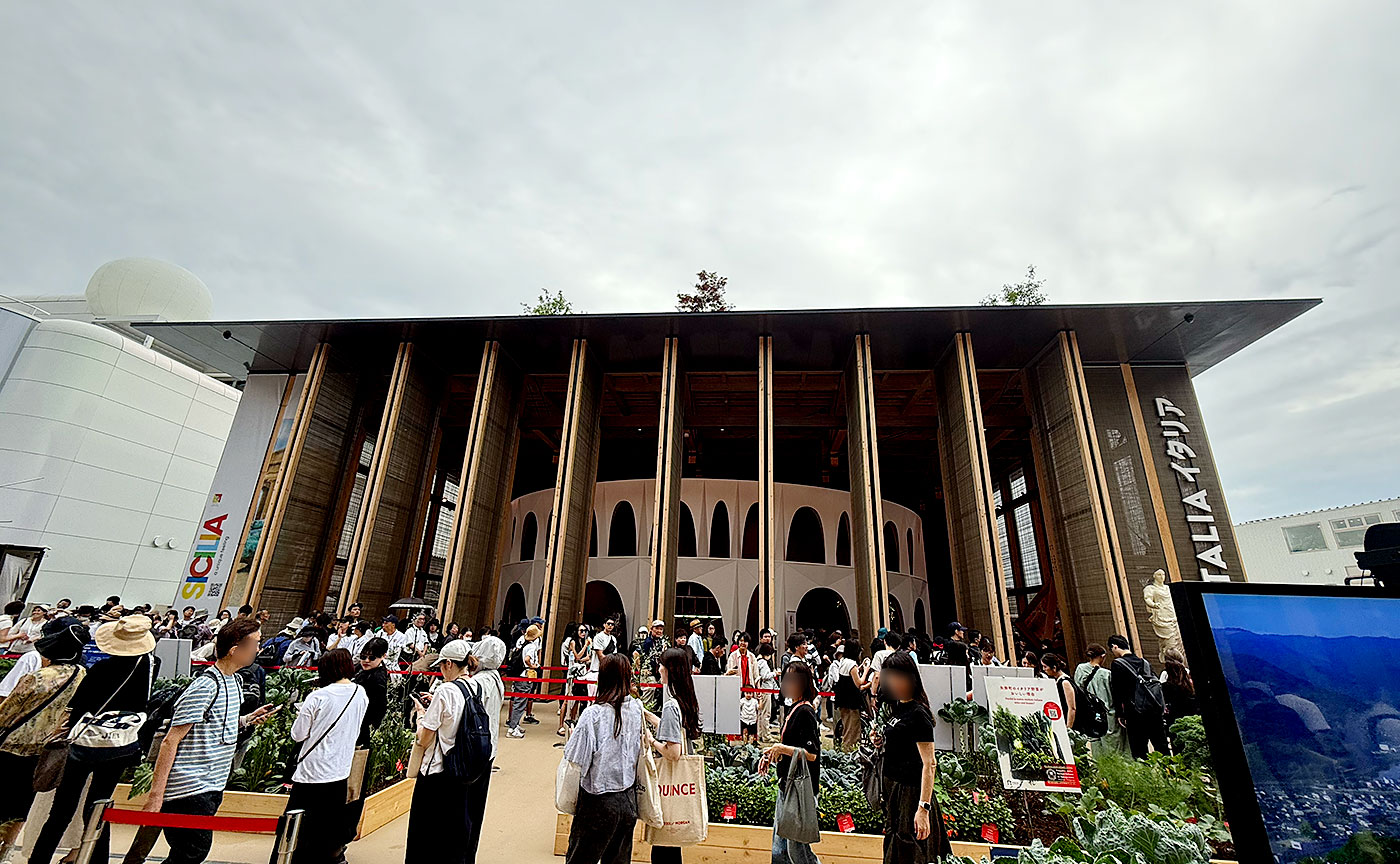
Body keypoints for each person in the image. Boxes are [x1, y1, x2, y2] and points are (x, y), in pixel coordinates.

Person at [143, 617, 276, 864]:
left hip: (213, 783)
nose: (259, 649)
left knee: (189, 852)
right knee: (191, 852)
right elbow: (171, 740)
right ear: (235, 650)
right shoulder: (204, 686)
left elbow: (219, 725)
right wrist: (156, 796)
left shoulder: (235, 680)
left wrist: (246, 720)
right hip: (189, 786)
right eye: (255, 643)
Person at [28, 615, 158, 864]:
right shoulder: (149, 666)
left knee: (62, 809)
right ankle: (99, 859)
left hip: (86, 745)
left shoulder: (101, 669)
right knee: (99, 806)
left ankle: (39, 859)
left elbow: (78, 708)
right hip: (120, 744)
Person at [0, 621, 87, 860]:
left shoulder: (36, 678)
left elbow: (6, 713)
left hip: (12, 748)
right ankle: (7, 848)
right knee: (21, 806)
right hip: (45, 750)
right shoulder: (80, 674)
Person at [287, 648, 367, 864]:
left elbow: (298, 734)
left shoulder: (317, 697)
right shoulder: (360, 692)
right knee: (329, 826)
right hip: (340, 770)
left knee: (299, 829)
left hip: (311, 772)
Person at [871, 651, 952, 864]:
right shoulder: (898, 707)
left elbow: (929, 763)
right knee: (897, 845)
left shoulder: (918, 714)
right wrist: (880, 740)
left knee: (913, 850)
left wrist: (923, 808)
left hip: (911, 792)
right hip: (894, 790)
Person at [563, 654, 644, 864]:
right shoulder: (636, 709)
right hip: (628, 799)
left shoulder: (593, 714)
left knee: (581, 858)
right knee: (618, 859)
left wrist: (572, 736)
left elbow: (576, 757)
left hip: (597, 799)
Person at [406, 639, 472, 864]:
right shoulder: (473, 686)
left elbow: (425, 736)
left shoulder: (445, 690)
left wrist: (421, 715)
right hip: (461, 767)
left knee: (424, 833)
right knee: (451, 833)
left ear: (449, 664)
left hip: (436, 769)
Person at [644, 647, 702, 864]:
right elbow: (677, 732)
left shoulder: (670, 705)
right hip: (682, 785)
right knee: (672, 848)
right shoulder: (685, 700)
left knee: (663, 848)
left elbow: (673, 752)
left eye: (662, 665)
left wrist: (652, 741)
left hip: (669, 783)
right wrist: (650, 716)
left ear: (670, 669)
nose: (659, 669)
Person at [764, 661, 821, 864]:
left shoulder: (805, 712)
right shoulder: (795, 708)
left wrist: (781, 749)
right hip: (788, 785)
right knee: (780, 849)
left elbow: (812, 753)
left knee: (798, 851)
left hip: (799, 789)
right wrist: (775, 752)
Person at [463, 636, 506, 862]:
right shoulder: (496, 678)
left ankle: (464, 853)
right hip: (488, 749)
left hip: (473, 751)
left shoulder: (477, 683)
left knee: (466, 808)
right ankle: (470, 852)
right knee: (477, 806)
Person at [1107, 635, 1168, 759]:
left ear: (1115, 646)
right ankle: (1170, 774)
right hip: (1153, 709)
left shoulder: (1118, 664)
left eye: (1112, 649)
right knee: (1161, 746)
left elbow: (1118, 691)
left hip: (1134, 712)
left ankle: (1145, 776)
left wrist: (1120, 713)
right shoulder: (1144, 662)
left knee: (1139, 749)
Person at [1073, 643, 1124, 757]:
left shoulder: (1080, 669)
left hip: (1090, 714)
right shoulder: (1107, 674)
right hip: (1108, 713)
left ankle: (1100, 769)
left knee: (1095, 742)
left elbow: (1078, 690)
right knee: (1113, 745)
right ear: (1103, 656)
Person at [507, 623, 542, 738]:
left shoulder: (523, 643)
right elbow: (527, 659)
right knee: (520, 702)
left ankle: (515, 724)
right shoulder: (531, 647)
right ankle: (512, 728)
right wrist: (532, 666)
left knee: (519, 700)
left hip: (520, 675)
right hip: (526, 675)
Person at [830, 643, 866, 751]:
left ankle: (845, 750)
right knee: (853, 730)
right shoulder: (852, 664)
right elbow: (859, 683)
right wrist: (867, 669)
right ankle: (850, 753)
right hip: (852, 702)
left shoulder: (844, 661)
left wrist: (860, 667)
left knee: (846, 728)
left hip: (843, 700)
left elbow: (850, 674)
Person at [1160, 647, 1198, 748]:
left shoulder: (1165, 676)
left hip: (1174, 717)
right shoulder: (1188, 673)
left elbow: (1161, 696)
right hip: (1192, 714)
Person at [561, 622, 587, 736]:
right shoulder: (572, 641)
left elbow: (586, 657)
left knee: (577, 699)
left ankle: (573, 720)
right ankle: (561, 725)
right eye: (581, 631)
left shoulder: (582, 642)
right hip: (572, 672)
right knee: (567, 699)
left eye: (585, 631)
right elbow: (577, 656)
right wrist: (586, 645)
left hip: (581, 671)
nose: (583, 633)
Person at [1040, 653, 1078, 731]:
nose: (1044, 669)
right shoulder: (1059, 681)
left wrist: (1068, 728)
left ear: (1054, 668)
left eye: (1045, 666)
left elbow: (1072, 708)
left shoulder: (1065, 682)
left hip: (1072, 725)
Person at [587, 617, 619, 697]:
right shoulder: (598, 637)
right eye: (608, 624)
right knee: (593, 697)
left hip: (609, 671)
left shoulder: (613, 639)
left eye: (612, 624)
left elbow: (614, 655)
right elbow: (600, 655)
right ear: (604, 625)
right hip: (597, 670)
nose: (610, 626)